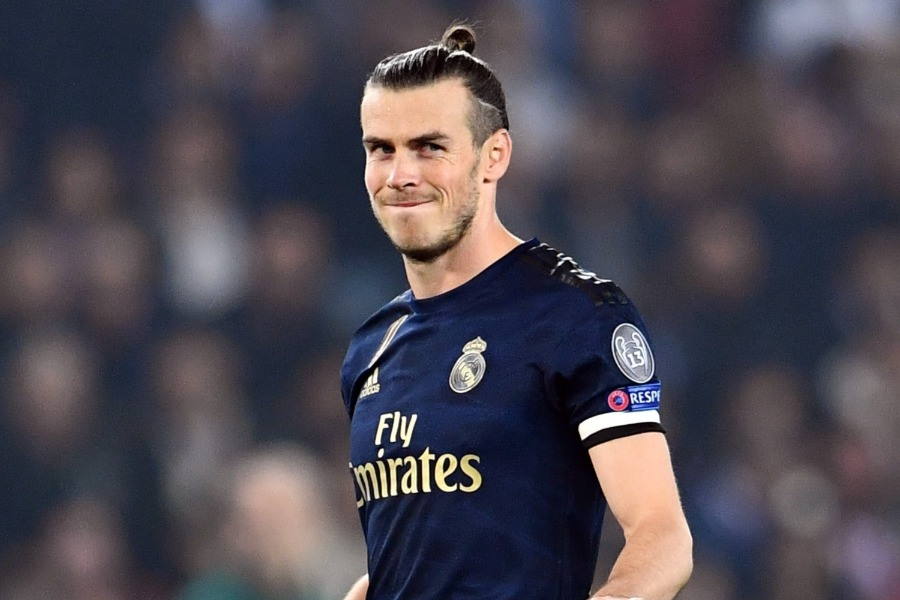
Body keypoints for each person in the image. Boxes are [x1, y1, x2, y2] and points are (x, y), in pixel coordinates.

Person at [340, 24, 692, 600]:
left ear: (494, 155)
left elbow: (662, 539)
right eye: (382, 149)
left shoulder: (575, 316)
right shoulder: (371, 346)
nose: (401, 175)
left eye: (430, 147)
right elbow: (407, 563)